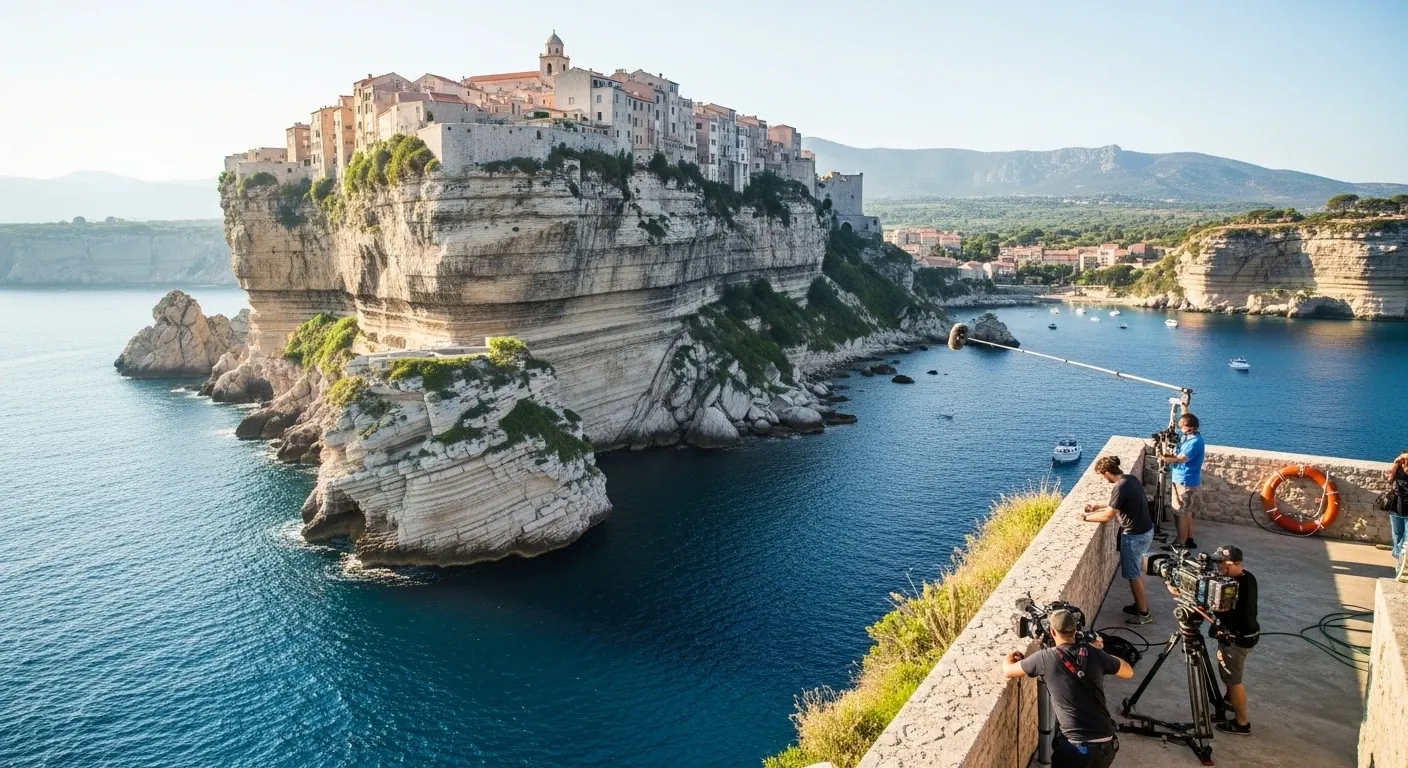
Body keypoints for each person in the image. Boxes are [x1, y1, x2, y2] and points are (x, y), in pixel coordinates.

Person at [1002, 609, 1134, 767]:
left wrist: (1008, 658)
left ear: (1052, 631)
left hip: (1076, 749)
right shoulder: (1094, 653)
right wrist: (1101, 652)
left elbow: (1009, 671)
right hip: (1107, 744)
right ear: (1076, 630)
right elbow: (1128, 672)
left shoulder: (1045, 658)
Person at [1168, 545, 1259, 735]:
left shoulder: (1229, 588)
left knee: (1234, 680)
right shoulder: (1247, 577)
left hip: (1236, 639)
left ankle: (1242, 724)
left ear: (1232, 564)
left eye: (1220, 562)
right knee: (1228, 674)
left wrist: (1179, 591)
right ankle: (1228, 700)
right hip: (1243, 635)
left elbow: (1209, 606)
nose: (1217, 566)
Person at [1080, 455, 1155, 625]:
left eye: (1101, 475)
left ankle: (1144, 614)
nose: (1102, 479)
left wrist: (1085, 518)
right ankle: (1140, 604)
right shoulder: (1130, 480)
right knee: (1136, 572)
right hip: (1146, 531)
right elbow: (1118, 503)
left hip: (1134, 536)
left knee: (1133, 575)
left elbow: (1108, 515)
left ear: (1107, 472)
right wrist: (1097, 507)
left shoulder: (1119, 487)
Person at [1160, 412, 1206, 550]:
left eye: (1183, 428)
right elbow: (1186, 415)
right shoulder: (1190, 437)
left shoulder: (1194, 443)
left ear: (1190, 428)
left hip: (1185, 481)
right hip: (1183, 478)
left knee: (1180, 511)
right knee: (1186, 511)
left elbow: (1181, 459)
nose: (1181, 430)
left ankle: (1180, 543)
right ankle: (1189, 539)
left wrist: (1164, 458)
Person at [1386, 452, 1408, 560]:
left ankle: (1400, 556)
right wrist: (1395, 465)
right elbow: (1390, 481)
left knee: (1406, 538)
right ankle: (1397, 555)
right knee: (1397, 534)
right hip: (1396, 507)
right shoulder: (1397, 469)